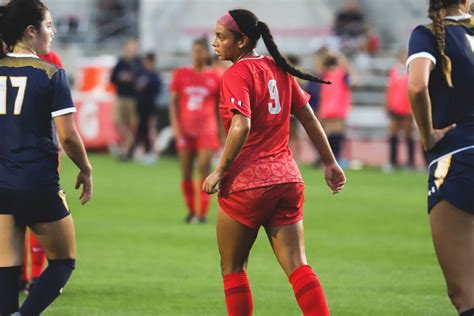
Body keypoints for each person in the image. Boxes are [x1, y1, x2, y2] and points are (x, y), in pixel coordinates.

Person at [203, 9, 346, 315]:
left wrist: (220, 170)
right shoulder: (276, 68)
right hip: (287, 179)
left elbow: (241, 125)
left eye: (221, 37)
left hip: (247, 184)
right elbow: (307, 116)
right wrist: (330, 163)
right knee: (298, 266)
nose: (214, 42)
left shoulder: (236, 74)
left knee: (233, 268)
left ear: (242, 41)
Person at [0, 0, 93, 315]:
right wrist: (86, 168)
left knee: (7, 270)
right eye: (49, 25)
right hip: (38, 182)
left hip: (2, 185)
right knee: (63, 262)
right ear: (31, 31)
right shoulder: (51, 73)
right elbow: (67, 136)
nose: (52, 33)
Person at [407, 0, 473, 315]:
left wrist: (426, 134)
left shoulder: (428, 34)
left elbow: (418, 86)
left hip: (459, 159)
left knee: (465, 293)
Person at [19, 50, 65, 293]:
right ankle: (24, 276)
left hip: (33, 147)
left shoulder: (51, 58)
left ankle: (33, 275)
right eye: (48, 25)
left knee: (22, 213)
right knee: (36, 211)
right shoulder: (49, 61)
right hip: (37, 148)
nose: (52, 31)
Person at [169, 37, 221, 224]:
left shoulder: (216, 76)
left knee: (205, 170)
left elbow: (219, 108)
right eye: (194, 50)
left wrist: (222, 134)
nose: (196, 54)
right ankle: (191, 211)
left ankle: (203, 214)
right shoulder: (181, 74)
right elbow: (173, 104)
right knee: (186, 172)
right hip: (185, 130)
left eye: (200, 51)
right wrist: (176, 128)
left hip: (207, 130)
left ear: (207, 53)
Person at [110, 38, 141, 161]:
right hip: (120, 96)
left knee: (131, 124)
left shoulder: (138, 63)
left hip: (133, 98)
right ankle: (129, 145)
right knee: (117, 122)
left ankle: (126, 150)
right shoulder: (120, 63)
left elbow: (141, 78)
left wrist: (131, 78)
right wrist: (121, 78)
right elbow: (112, 79)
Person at [318, 52, 352, 165]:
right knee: (335, 134)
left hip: (330, 109)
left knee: (330, 134)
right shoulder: (341, 75)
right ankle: (335, 159)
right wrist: (338, 56)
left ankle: (331, 159)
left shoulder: (327, 75)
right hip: (336, 109)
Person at [385, 49, 415, 171]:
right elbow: (389, 89)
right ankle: (393, 162)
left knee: (409, 135)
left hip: (407, 108)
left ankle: (410, 163)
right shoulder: (393, 71)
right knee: (393, 135)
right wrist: (387, 105)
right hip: (395, 107)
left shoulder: (412, 70)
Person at [133, 52, 161, 164]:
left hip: (150, 105)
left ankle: (153, 151)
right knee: (140, 128)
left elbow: (157, 90)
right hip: (140, 105)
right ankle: (142, 150)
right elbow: (135, 86)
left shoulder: (154, 75)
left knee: (151, 128)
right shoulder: (141, 73)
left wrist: (146, 88)